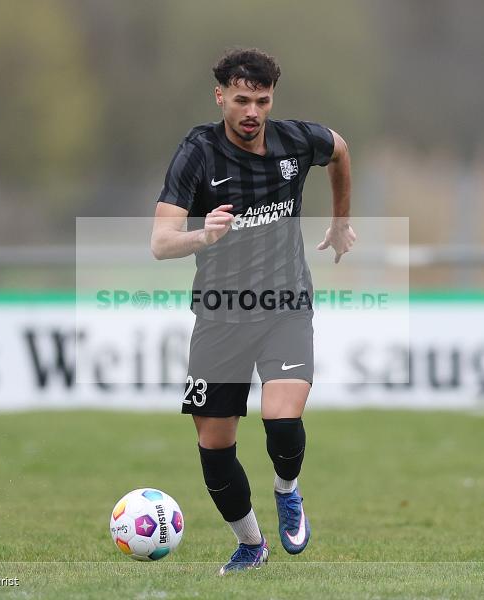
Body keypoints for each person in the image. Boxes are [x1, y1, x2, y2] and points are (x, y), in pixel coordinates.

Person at [150, 48, 354, 575]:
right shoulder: (197, 153)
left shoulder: (295, 140)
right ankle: (251, 544)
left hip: (286, 305)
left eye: (261, 101)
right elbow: (160, 243)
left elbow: (340, 149)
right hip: (219, 315)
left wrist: (340, 220)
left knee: (281, 421)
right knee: (214, 448)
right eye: (241, 99)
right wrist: (204, 234)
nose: (252, 112)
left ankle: (287, 489)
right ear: (220, 96)